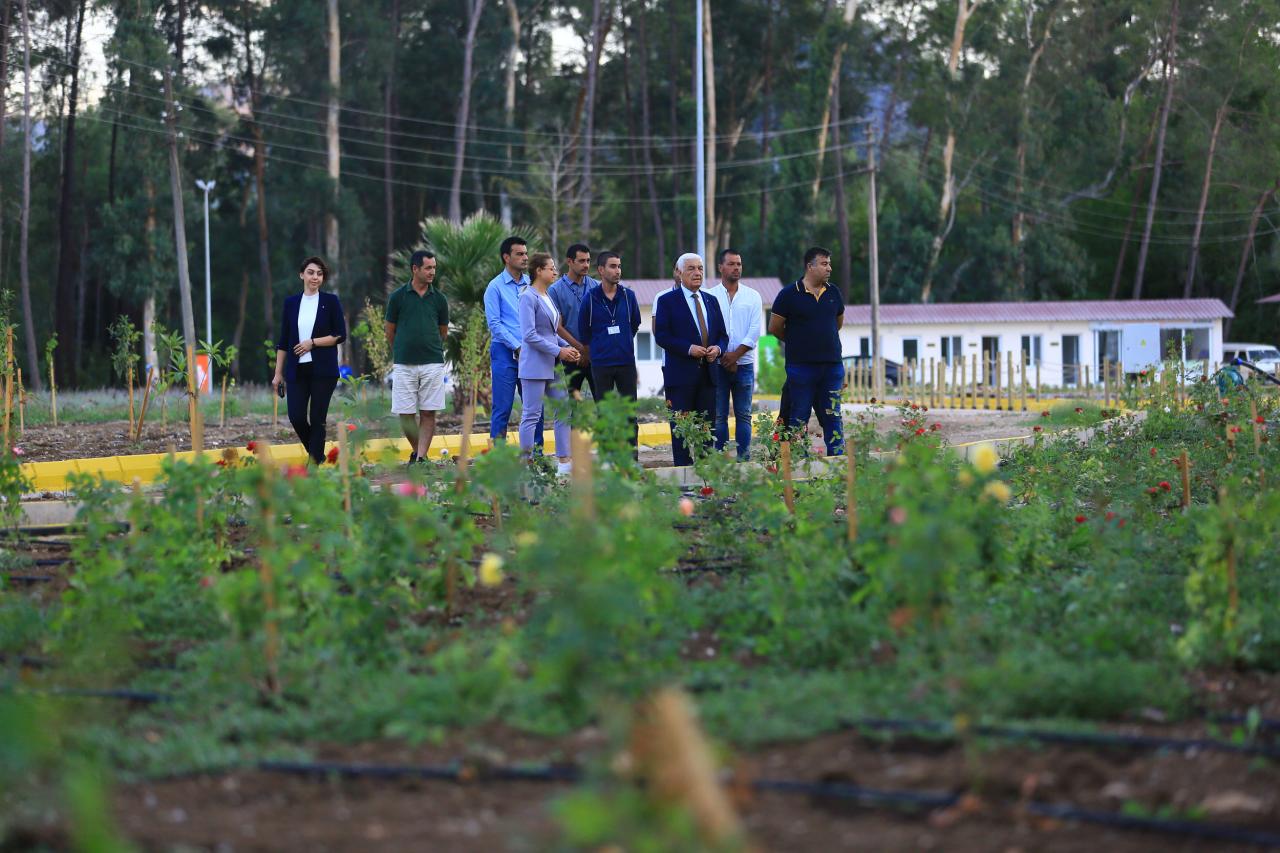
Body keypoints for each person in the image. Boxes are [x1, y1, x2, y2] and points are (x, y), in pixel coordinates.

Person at [768, 246, 846, 455]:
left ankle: (837, 462)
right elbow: (774, 328)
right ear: (809, 267)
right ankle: (796, 462)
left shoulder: (834, 292)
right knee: (799, 416)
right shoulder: (788, 294)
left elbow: (836, 324)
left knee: (832, 415)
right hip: (800, 368)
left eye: (829, 263)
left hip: (832, 367)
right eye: (824, 263)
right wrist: (797, 342)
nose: (829, 268)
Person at [653, 253, 728, 467]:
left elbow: (722, 334)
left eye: (700, 268)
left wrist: (718, 349)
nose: (697, 273)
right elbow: (662, 336)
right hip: (680, 377)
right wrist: (688, 349)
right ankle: (684, 477)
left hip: (708, 375)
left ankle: (707, 477)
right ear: (678, 272)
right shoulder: (667, 301)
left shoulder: (710, 300)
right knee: (682, 431)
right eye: (691, 269)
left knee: (707, 429)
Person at [272, 256, 348, 465]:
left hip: (323, 369)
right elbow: (284, 341)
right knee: (296, 416)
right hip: (297, 370)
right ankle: (318, 454)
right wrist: (278, 374)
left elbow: (340, 335)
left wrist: (312, 343)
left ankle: (314, 463)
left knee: (317, 419)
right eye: (311, 272)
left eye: (320, 273)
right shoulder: (291, 303)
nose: (315, 277)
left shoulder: (330, 301)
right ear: (302, 275)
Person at [385, 250, 449, 465]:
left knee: (429, 412)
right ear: (415, 269)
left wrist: (429, 348)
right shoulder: (397, 297)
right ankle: (418, 452)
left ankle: (420, 458)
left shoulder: (439, 299)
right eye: (428, 268)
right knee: (405, 414)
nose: (432, 272)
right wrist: (402, 350)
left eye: (434, 268)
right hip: (404, 364)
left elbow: (443, 331)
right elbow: (390, 330)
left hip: (433, 363)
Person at [518, 253, 579, 473]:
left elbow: (551, 332)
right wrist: (559, 351)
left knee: (564, 410)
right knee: (532, 415)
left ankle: (564, 460)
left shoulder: (548, 296)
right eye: (551, 268)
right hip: (534, 365)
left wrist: (568, 348)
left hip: (553, 364)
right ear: (538, 271)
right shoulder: (528, 296)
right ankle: (526, 463)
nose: (555, 272)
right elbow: (530, 335)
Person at [577, 250, 642, 449]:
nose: (617, 271)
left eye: (619, 266)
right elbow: (584, 331)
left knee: (629, 414)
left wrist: (621, 342)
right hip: (601, 364)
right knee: (604, 413)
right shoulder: (590, 298)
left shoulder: (628, 296)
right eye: (613, 266)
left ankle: (631, 459)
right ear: (601, 270)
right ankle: (608, 459)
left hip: (625, 363)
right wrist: (601, 347)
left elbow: (635, 324)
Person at [484, 236, 543, 446]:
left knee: (535, 407)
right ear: (506, 257)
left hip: (532, 351)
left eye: (526, 253)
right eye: (520, 254)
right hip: (505, 352)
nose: (525, 258)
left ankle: (536, 454)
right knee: (503, 407)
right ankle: (498, 457)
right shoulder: (495, 287)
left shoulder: (531, 284)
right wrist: (517, 346)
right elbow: (495, 324)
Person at [703, 249, 762, 460]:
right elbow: (707, 329)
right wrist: (723, 356)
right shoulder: (709, 295)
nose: (736, 267)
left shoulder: (753, 296)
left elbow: (755, 330)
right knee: (719, 417)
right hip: (717, 364)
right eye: (731, 264)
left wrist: (735, 355)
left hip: (744, 364)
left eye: (739, 263)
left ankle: (743, 461)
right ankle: (720, 462)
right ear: (721, 267)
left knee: (744, 416)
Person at [547, 243, 598, 401]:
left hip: (594, 354)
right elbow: (557, 326)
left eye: (588, 261)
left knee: (603, 403)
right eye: (581, 261)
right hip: (569, 355)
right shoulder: (555, 290)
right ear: (569, 261)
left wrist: (588, 350)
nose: (586, 265)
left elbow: (599, 321)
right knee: (570, 407)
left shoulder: (595, 286)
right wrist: (580, 349)